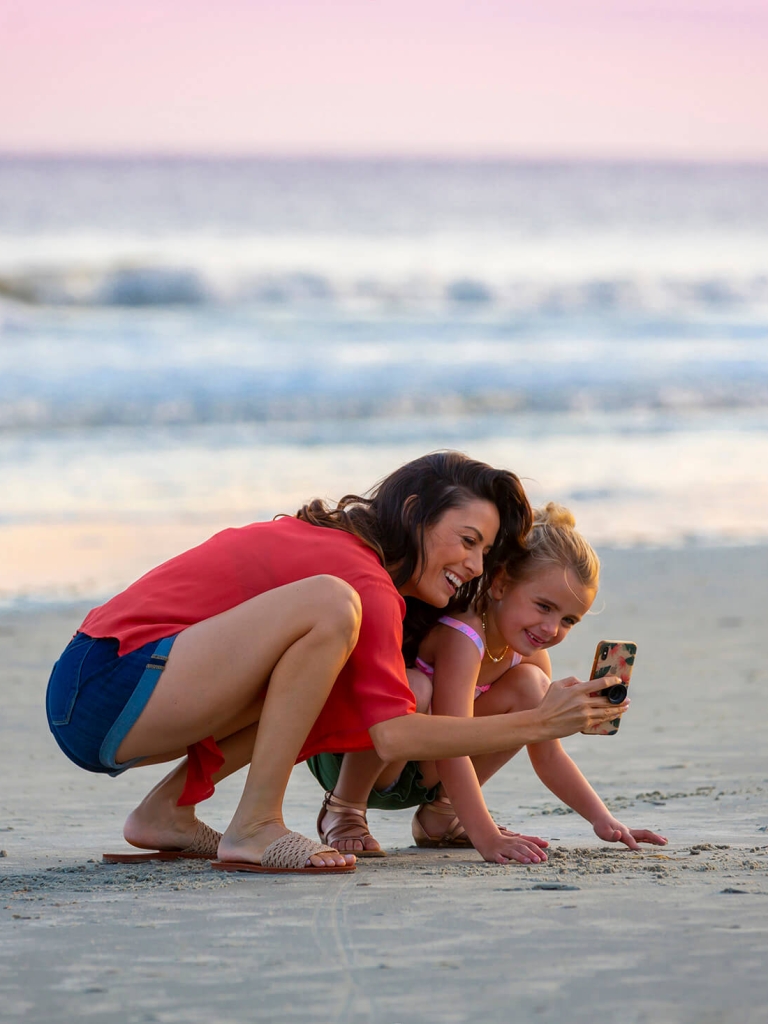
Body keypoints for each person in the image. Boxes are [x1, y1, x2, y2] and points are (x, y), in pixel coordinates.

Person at [46, 453, 629, 875]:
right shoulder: (357, 576)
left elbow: (383, 716)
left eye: (485, 551)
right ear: (413, 512)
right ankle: (255, 826)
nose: (475, 566)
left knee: (326, 660)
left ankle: (166, 812)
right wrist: (540, 723)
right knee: (330, 605)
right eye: (467, 540)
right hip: (106, 682)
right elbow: (392, 733)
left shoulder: (368, 573)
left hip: (119, 694)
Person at [311, 503, 667, 863]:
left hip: (422, 775)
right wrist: (488, 838)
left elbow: (548, 753)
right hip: (362, 756)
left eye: (568, 620)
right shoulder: (462, 638)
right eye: (543, 607)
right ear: (499, 584)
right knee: (416, 689)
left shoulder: (528, 654)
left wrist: (603, 819)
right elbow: (453, 744)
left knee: (531, 685)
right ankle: (344, 809)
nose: (551, 629)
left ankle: (442, 815)